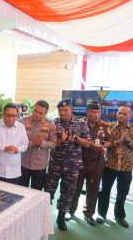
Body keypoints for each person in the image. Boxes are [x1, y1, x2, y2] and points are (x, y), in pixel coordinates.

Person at [44, 98, 91, 231]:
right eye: (60, 110)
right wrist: (60, 139)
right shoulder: (54, 123)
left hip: (72, 166)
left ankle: (60, 218)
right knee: (48, 192)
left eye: (65, 110)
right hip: (55, 164)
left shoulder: (81, 124)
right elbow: (49, 143)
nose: (62, 112)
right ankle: (44, 218)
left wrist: (76, 139)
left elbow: (87, 143)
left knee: (67, 192)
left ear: (71, 109)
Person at [68, 102, 111, 226]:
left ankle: (89, 214)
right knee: (75, 187)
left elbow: (109, 140)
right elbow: (74, 138)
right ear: (87, 112)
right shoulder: (79, 123)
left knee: (93, 189)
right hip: (79, 160)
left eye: (98, 112)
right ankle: (70, 211)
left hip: (97, 162)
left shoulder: (104, 126)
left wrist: (104, 146)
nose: (96, 114)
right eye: (93, 112)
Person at [97, 106, 133, 228]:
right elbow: (105, 143)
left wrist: (128, 141)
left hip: (126, 167)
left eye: (124, 114)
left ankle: (119, 216)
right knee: (105, 191)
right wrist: (118, 142)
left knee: (122, 193)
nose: (121, 115)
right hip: (109, 165)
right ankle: (102, 214)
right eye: (119, 113)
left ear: (130, 116)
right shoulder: (110, 127)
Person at [19, 100, 56, 190]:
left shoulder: (50, 125)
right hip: (23, 163)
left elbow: (54, 143)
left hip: (40, 166)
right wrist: (32, 143)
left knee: (36, 192)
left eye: (41, 113)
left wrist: (42, 143)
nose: (37, 114)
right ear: (33, 108)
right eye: (35, 111)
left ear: (46, 113)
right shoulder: (22, 122)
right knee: (21, 191)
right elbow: (17, 142)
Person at [0, 102, 29, 184]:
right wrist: (4, 148)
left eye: (13, 116)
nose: (10, 118)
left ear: (17, 115)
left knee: (12, 196)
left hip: (14, 173)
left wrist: (17, 149)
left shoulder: (21, 127)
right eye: (8, 115)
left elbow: (25, 144)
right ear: (3, 114)